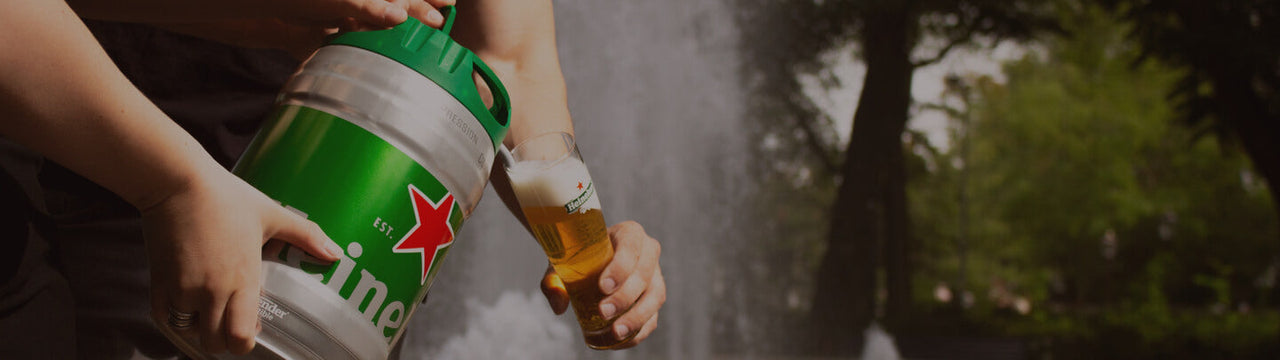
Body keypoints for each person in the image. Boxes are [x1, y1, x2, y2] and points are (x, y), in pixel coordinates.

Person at [0, 0, 665, 358]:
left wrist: (585, 243)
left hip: (350, 231)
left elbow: (512, 63)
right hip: (116, 183)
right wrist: (174, 184)